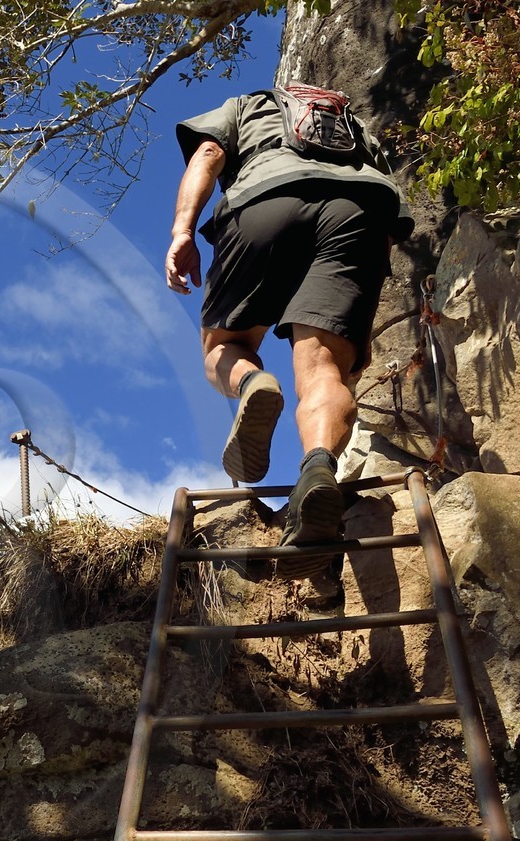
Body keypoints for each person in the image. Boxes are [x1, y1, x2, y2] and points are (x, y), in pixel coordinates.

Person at [167, 86, 413, 577]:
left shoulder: (245, 104)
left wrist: (182, 230)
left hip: (265, 199)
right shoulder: (351, 123)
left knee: (223, 346)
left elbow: (209, 153)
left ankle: (252, 383)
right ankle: (318, 466)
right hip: (359, 209)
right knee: (326, 369)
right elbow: (386, 205)